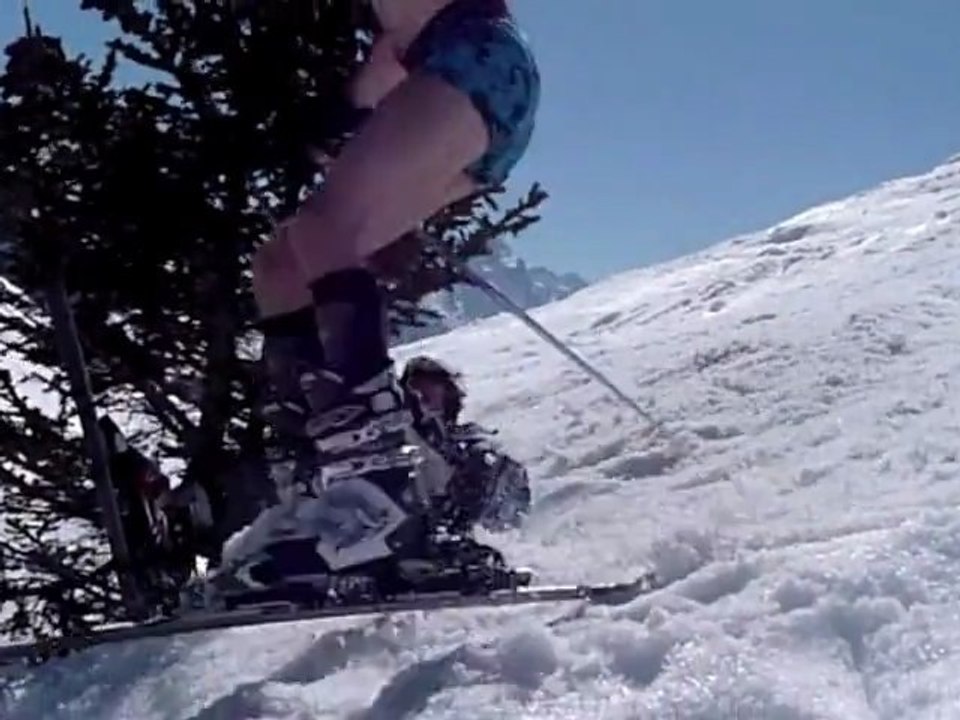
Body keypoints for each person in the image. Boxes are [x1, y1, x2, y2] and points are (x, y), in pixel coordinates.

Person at [205, 0, 540, 605]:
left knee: (323, 229)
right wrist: (345, 116)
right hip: (458, 65)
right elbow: (389, 54)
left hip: (474, 57)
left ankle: (378, 498)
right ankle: (322, 496)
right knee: (280, 266)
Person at [400, 355, 531, 534]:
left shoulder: (472, 442)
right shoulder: (407, 436)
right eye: (416, 395)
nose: (421, 401)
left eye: (427, 396)